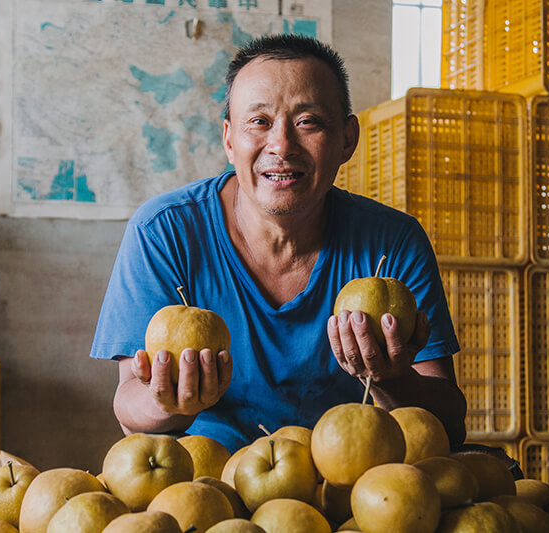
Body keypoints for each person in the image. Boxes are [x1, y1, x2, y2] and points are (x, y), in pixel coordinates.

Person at [90, 34, 467, 453]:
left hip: (352, 488)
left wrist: (390, 377)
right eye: (259, 122)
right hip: (211, 490)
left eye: (308, 122)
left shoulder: (392, 242)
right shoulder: (165, 232)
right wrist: (171, 402)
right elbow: (129, 405)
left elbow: (448, 423)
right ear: (230, 140)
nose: (282, 146)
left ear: (347, 139)